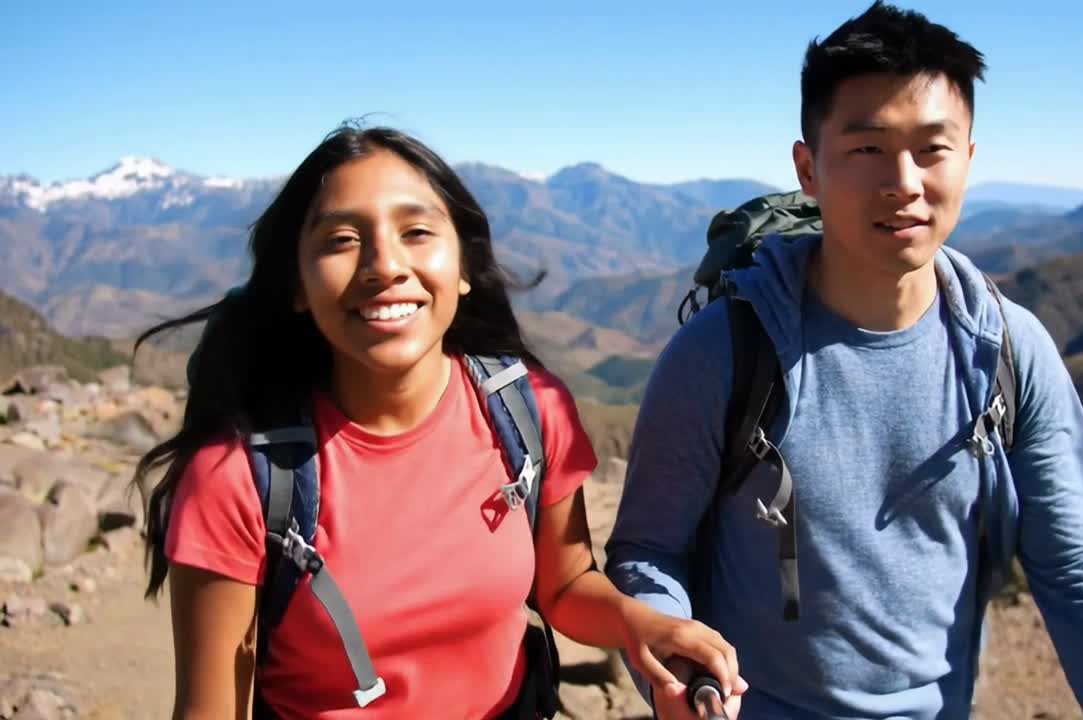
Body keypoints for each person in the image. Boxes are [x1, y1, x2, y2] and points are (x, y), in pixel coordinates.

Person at [604, 3, 1083, 719]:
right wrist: (678, 671)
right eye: (867, 150)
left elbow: (1082, 571)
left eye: (932, 149)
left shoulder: (1009, 352)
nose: (904, 181)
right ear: (809, 168)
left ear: (969, 159)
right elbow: (649, 552)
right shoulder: (721, 353)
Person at [132, 124, 746, 720]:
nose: (384, 264)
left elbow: (563, 588)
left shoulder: (529, 409)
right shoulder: (239, 477)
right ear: (296, 283)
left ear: (463, 267)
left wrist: (647, 626)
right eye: (341, 239)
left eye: (417, 231)